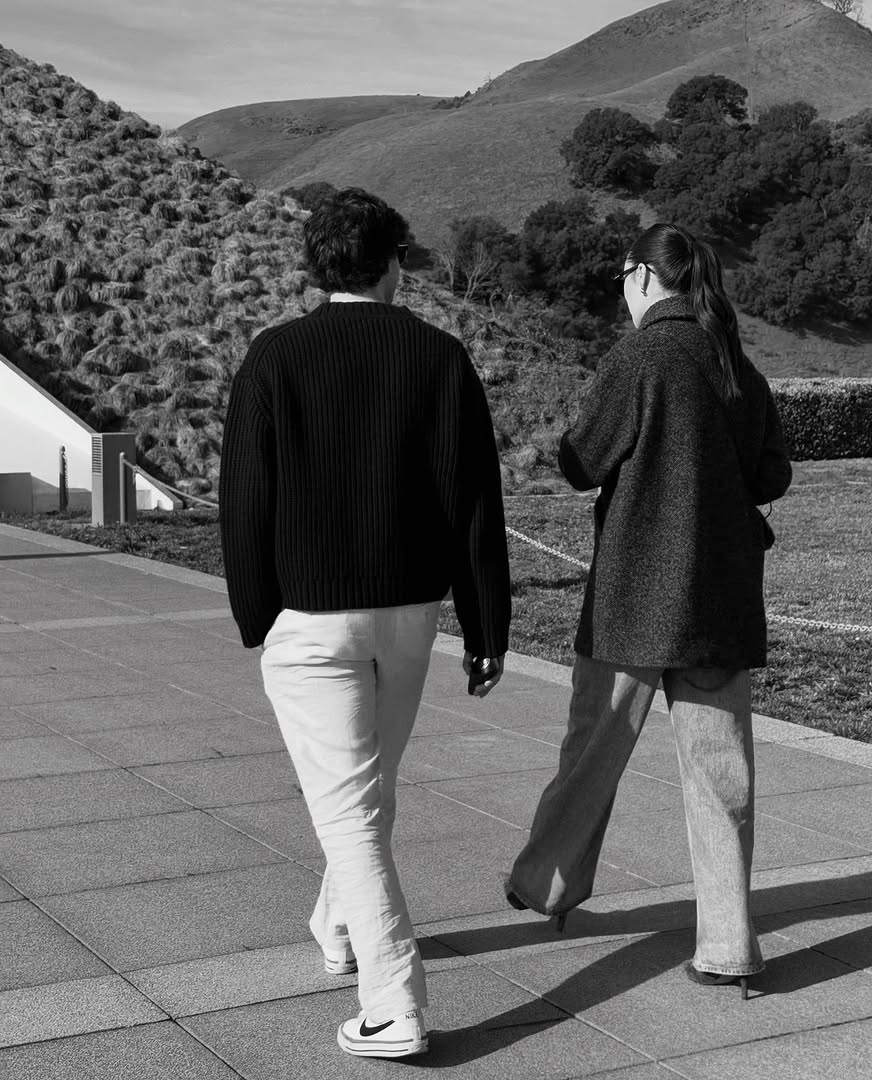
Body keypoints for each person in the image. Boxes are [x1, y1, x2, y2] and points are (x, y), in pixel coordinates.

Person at [219, 188, 510, 1059]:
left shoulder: (275, 355)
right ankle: (338, 925)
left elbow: (245, 498)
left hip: (310, 618)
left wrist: (256, 613)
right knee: (367, 793)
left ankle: (394, 1005)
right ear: (395, 261)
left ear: (318, 265)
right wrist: (486, 626)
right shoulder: (440, 356)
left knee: (350, 808)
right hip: (411, 614)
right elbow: (475, 505)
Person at [504, 221, 791, 995]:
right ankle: (730, 946)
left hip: (633, 594)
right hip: (718, 599)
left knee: (591, 751)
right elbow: (772, 474)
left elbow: (581, 463)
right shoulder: (735, 363)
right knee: (721, 773)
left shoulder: (638, 357)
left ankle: (544, 884)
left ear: (640, 276)